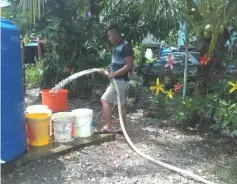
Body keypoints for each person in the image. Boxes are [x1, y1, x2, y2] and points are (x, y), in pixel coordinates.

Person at [99, 24, 133, 133]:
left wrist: (113, 75)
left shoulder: (125, 47)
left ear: (115, 33)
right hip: (118, 81)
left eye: (109, 35)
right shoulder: (116, 48)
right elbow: (117, 65)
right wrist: (108, 71)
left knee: (104, 100)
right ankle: (123, 129)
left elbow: (129, 65)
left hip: (120, 81)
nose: (109, 38)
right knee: (121, 104)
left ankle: (108, 126)